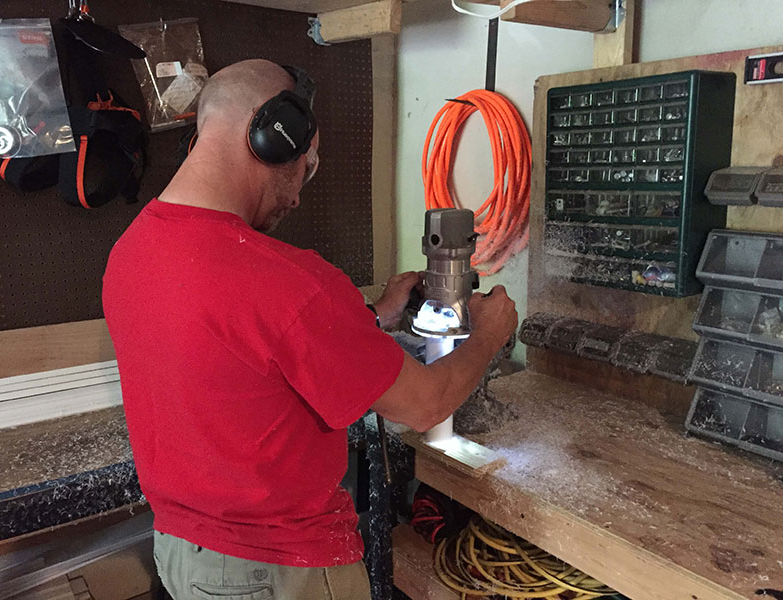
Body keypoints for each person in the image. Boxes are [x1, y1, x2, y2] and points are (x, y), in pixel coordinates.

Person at [102, 59, 518, 600]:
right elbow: (425, 404)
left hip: (182, 554)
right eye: (306, 165)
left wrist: (370, 320)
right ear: (275, 134)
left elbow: (249, 352)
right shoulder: (287, 281)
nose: (297, 197)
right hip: (278, 570)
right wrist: (489, 332)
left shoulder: (132, 251)